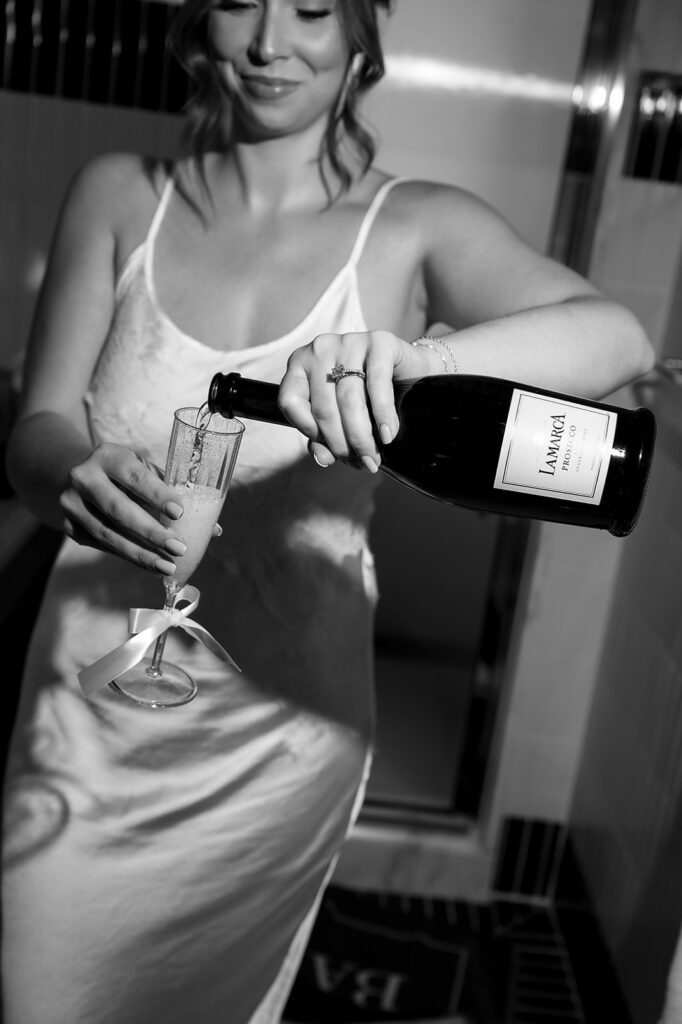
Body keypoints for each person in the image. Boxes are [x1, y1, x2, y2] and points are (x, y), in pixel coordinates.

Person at [1, 1, 654, 1022]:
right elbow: (37, 424)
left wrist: (422, 360)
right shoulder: (119, 195)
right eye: (237, 6)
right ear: (195, 22)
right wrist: (71, 479)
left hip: (276, 736)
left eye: (310, 10)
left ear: (359, 38)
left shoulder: (415, 226)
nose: (269, 46)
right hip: (91, 711)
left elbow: (615, 338)